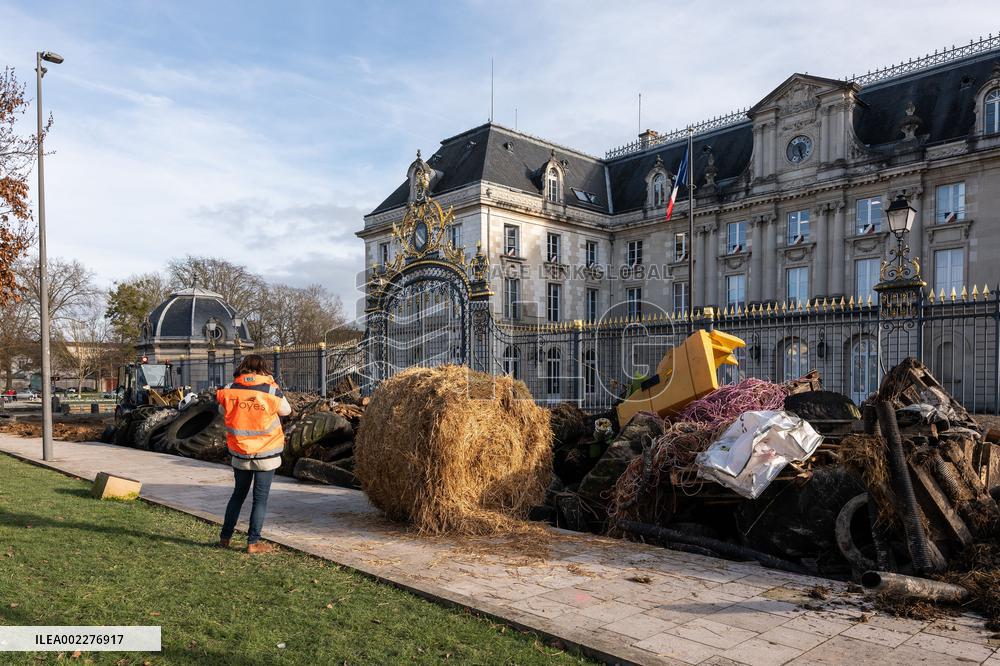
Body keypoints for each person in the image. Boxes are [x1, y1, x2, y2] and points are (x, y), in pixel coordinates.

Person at [216, 354, 291, 553]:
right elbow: (286, 411)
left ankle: (225, 538)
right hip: (266, 454)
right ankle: (253, 542)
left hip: (240, 453)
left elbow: (223, 412)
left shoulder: (230, 390)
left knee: (237, 495)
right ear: (263, 369)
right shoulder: (270, 390)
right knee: (260, 499)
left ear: (242, 368)